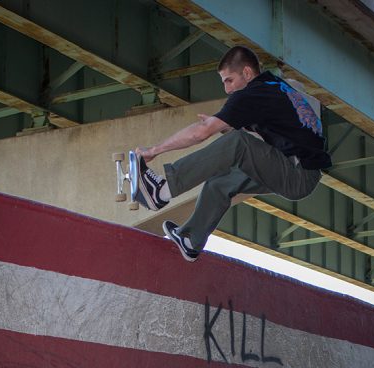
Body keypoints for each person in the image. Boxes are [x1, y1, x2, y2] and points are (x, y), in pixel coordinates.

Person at [134, 45, 332, 262]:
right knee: (219, 182)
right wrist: (226, 126)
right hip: (299, 169)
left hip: (297, 173)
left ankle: (161, 191)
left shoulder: (251, 95)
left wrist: (154, 150)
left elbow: (200, 133)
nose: (227, 89)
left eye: (229, 80)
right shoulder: (273, 86)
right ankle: (191, 240)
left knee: (239, 142)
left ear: (246, 72)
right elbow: (281, 127)